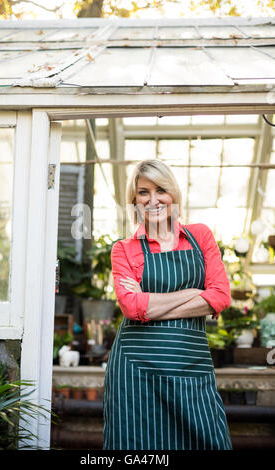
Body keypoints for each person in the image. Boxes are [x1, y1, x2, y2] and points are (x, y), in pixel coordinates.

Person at [103, 159, 232, 450]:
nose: (153, 199)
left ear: (173, 193)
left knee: (210, 440)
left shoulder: (200, 235)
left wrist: (151, 305)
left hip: (191, 365)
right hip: (136, 370)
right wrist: (193, 292)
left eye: (161, 189)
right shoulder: (124, 249)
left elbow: (221, 297)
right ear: (134, 201)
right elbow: (133, 308)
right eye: (143, 192)